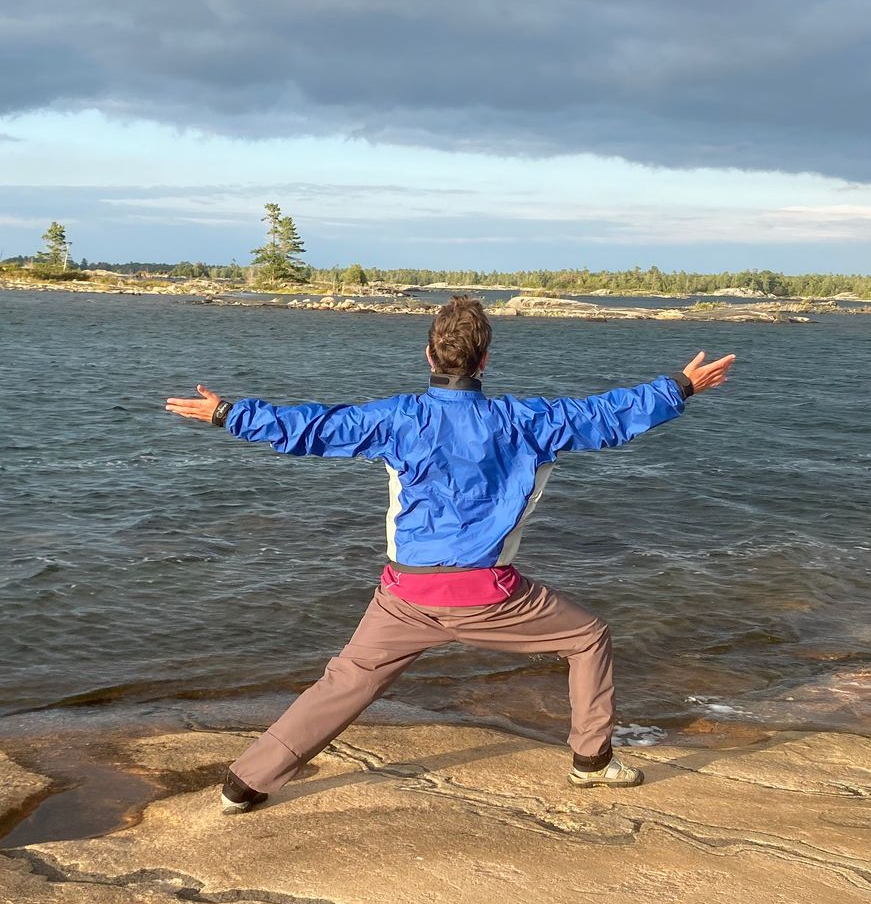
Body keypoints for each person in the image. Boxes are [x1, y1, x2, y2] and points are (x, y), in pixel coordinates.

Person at [164, 295, 735, 814]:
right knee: (587, 638)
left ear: (429, 356)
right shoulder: (526, 422)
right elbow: (605, 417)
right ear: (484, 361)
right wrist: (679, 387)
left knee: (345, 683)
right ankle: (590, 762)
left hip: (405, 597)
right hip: (491, 597)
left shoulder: (400, 418)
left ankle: (244, 785)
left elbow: (314, 427)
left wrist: (227, 414)